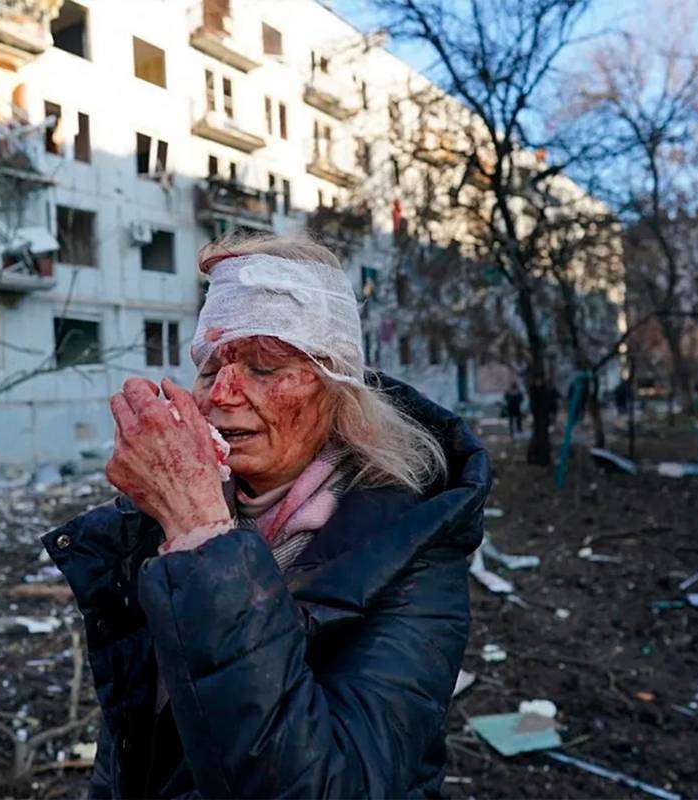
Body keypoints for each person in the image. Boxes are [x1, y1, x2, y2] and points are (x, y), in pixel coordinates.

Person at [43, 235, 491, 798]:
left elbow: (325, 786)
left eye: (262, 367)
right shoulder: (163, 517)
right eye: (208, 371)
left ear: (338, 390)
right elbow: (135, 743)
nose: (221, 395)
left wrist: (202, 534)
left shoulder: (413, 548)